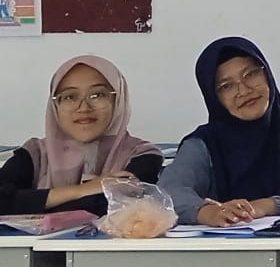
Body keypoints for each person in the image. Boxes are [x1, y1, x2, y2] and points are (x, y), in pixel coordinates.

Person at [160, 37, 280, 226]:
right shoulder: (205, 144)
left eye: (250, 74)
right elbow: (167, 194)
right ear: (213, 97)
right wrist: (207, 212)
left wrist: (269, 205)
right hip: (231, 254)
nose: (243, 90)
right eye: (226, 86)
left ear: (267, 73)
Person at [0, 56, 163, 216]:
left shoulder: (142, 154)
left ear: (118, 99)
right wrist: (84, 190)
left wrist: (28, 203)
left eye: (98, 95)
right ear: (55, 105)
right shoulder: (36, 153)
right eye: (70, 97)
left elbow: (115, 206)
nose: (83, 108)